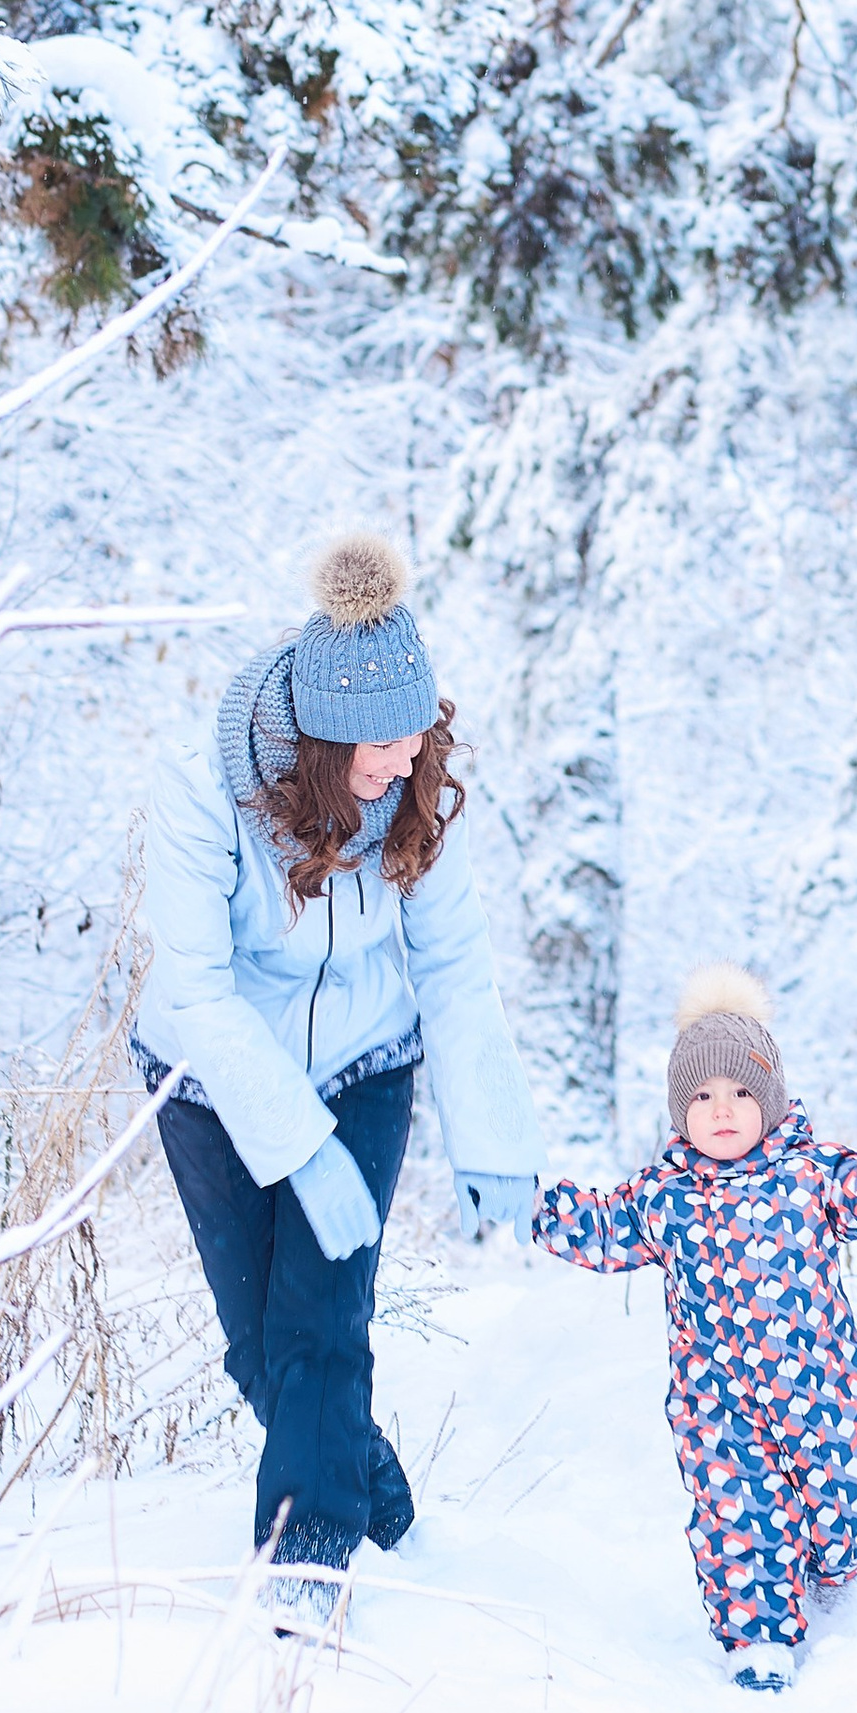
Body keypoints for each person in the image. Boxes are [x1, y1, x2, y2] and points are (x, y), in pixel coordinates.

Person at [136, 532, 541, 1621]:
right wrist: (295, 1145)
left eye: (416, 734)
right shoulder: (202, 791)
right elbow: (195, 992)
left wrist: (493, 1133)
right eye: (382, 745)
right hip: (208, 1078)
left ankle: (305, 1567)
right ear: (321, 740)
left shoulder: (412, 790)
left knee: (322, 1323)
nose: (405, 759)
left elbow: (453, 966)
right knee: (260, 1351)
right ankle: (377, 1496)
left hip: (364, 1062)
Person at [533, 967, 857, 1689]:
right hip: (717, 1407)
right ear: (678, 1110)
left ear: (772, 1100)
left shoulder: (812, 1174)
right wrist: (528, 1202)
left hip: (825, 1391)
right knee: (740, 1519)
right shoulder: (662, 1195)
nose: (722, 1109)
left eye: (741, 1092)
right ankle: (758, 1639)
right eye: (701, 1095)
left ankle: (826, 1565)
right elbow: (600, 1226)